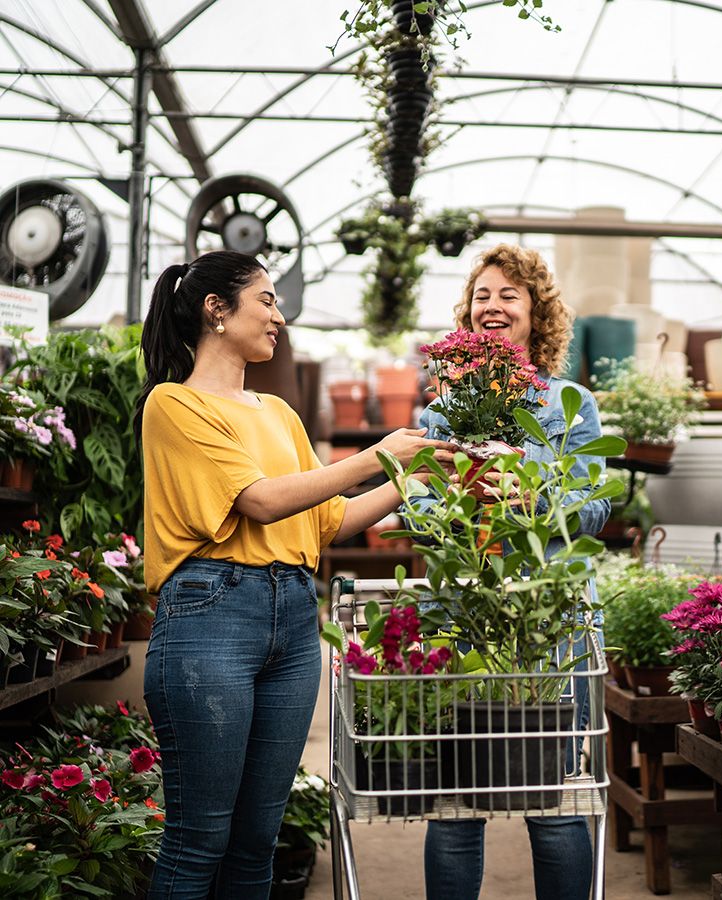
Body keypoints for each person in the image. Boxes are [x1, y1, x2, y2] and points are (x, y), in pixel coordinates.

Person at [135, 249, 454, 898]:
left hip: (293, 619)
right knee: (200, 840)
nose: (279, 316)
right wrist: (376, 455)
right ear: (216, 310)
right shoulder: (173, 405)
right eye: (267, 300)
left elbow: (329, 521)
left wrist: (413, 476)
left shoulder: (278, 413)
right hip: (210, 618)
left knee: (258, 844)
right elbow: (258, 500)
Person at [414, 243, 611, 900]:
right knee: (455, 808)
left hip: (546, 621)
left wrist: (531, 497)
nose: (493, 307)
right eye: (482, 297)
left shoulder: (570, 401)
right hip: (465, 614)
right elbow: (416, 504)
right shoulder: (443, 409)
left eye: (509, 295)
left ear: (537, 313)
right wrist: (452, 506)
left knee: (550, 802)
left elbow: (596, 504)